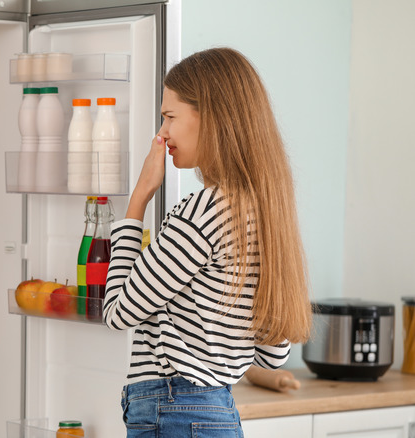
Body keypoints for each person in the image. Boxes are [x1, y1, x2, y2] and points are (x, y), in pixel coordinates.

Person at [102, 47, 312, 437]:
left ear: (210, 117)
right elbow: (272, 354)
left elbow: (117, 312)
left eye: (169, 117)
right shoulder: (265, 211)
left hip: (174, 408)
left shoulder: (201, 213)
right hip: (217, 411)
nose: (162, 133)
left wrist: (138, 200)